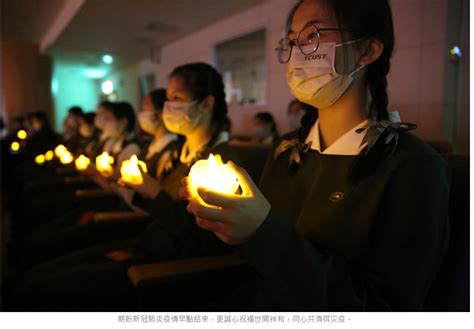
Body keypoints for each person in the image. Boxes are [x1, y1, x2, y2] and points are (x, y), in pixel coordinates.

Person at [180, 0, 450, 311]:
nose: (296, 53)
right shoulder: (287, 150)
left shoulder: (412, 167)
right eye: (291, 41)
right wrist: (221, 218)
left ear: (367, 50)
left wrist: (261, 231)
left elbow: (383, 308)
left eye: (312, 37)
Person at [4, 63, 257, 311]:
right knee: (41, 265)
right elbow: (159, 213)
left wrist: (150, 195)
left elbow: (202, 240)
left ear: (206, 104)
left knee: (39, 287)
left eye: (177, 98)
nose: (168, 107)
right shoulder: (182, 155)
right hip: (144, 242)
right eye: (167, 99)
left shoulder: (222, 162)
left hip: (162, 267)